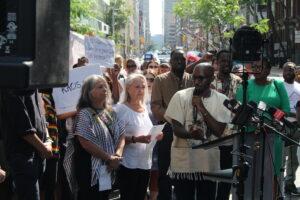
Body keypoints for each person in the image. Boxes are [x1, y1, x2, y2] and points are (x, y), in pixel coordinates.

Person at [165, 62, 232, 200]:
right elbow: (176, 128)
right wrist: (191, 134)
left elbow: (219, 131)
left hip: (208, 164)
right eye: (194, 78)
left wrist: (201, 107)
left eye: (201, 78)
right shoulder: (180, 96)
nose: (196, 81)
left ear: (212, 78)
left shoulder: (222, 100)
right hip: (184, 163)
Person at [235, 58, 290, 199]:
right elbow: (239, 111)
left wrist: (274, 120)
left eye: (260, 67)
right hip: (249, 137)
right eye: (254, 66)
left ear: (268, 70)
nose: (256, 69)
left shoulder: (277, 85)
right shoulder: (245, 85)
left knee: (270, 174)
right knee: (249, 176)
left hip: (272, 137)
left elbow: (286, 110)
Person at [72, 75, 125, 200]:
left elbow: (121, 134)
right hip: (90, 170)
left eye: (105, 86)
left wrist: (117, 155)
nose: (105, 89)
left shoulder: (110, 112)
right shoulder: (84, 113)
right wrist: (109, 158)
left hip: (108, 168)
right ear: (89, 93)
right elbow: (86, 142)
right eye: (100, 87)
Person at [151, 49, 193, 200]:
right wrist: (174, 120)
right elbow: (156, 107)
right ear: (170, 61)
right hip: (168, 129)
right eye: (176, 59)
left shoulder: (193, 79)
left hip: (188, 131)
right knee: (165, 171)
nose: (179, 62)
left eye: (182, 59)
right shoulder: (160, 80)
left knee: (186, 170)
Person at [115, 73, 162, 200]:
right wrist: (136, 139)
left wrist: (156, 135)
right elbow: (115, 137)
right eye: (137, 87)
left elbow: (146, 131)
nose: (141, 90)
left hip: (145, 162)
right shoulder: (120, 109)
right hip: (128, 163)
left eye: (143, 87)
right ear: (128, 88)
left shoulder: (145, 109)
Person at [0, 89, 53, 200]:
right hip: (23, 157)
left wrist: (48, 140)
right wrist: (44, 149)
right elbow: (23, 128)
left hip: (39, 156)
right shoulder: (10, 88)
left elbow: (42, 118)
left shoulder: (34, 88)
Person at [212, 50, 242, 200]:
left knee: (226, 175)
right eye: (223, 61)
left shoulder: (239, 81)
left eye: (229, 61)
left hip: (231, 137)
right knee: (210, 177)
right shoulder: (209, 80)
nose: (226, 64)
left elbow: (241, 107)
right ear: (217, 62)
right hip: (211, 137)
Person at [282, 61, 300, 195]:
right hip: (281, 126)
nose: (289, 72)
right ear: (282, 72)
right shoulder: (278, 87)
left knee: (294, 159)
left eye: (292, 69)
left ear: (296, 72)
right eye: (287, 70)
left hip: (296, 127)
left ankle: (289, 183)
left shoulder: (299, 87)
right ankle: (277, 183)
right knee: (281, 157)